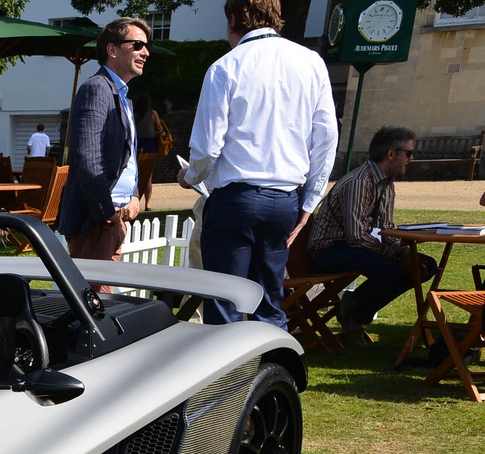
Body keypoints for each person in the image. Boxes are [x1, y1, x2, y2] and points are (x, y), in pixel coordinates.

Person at [178, 0, 337, 326]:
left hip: (236, 200)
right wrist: (307, 204)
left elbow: (207, 148)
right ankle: (277, 375)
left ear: (234, 18)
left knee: (225, 304)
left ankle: (229, 378)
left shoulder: (226, 67)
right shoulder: (311, 62)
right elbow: (326, 140)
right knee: (269, 304)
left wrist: (190, 176)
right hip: (284, 199)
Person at [308, 126, 435, 344]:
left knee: (424, 265)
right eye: (409, 153)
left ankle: (354, 304)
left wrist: (403, 252)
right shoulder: (359, 182)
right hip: (329, 250)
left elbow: (385, 227)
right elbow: (356, 236)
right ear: (391, 153)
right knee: (392, 270)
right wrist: (395, 256)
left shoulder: (387, 183)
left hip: (353, 247)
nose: (411, 159)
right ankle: (356, 318)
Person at [54, 18, 150, 280]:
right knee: (93, 309)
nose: (146, 52)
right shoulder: (97, 89)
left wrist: (132, 194)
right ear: (113, 49)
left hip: (112, 220)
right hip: (96, 223)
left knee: (100, 305)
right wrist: (107, 212)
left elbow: (127, 156)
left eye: (146, 46)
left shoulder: (121, 96)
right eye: (138, 44)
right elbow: (87, 158)